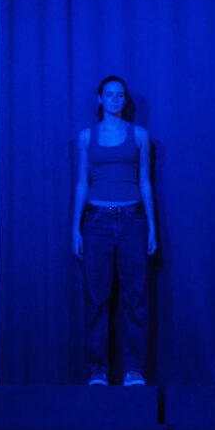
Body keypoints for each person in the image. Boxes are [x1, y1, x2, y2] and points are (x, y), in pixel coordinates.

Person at [72, 76, 157, 387]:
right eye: (109, 94)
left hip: (133, 221)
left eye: (120, 95)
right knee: (97, 298)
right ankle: (98, 371)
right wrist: (75, 227)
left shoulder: (140, 135)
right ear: (100, 99)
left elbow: (145, 182)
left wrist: (152, 227)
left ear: (125, 99)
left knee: (136, 297)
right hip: (96, 222)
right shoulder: (86, 137)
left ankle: (134, 370)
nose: (115, 99)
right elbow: (82, 183)